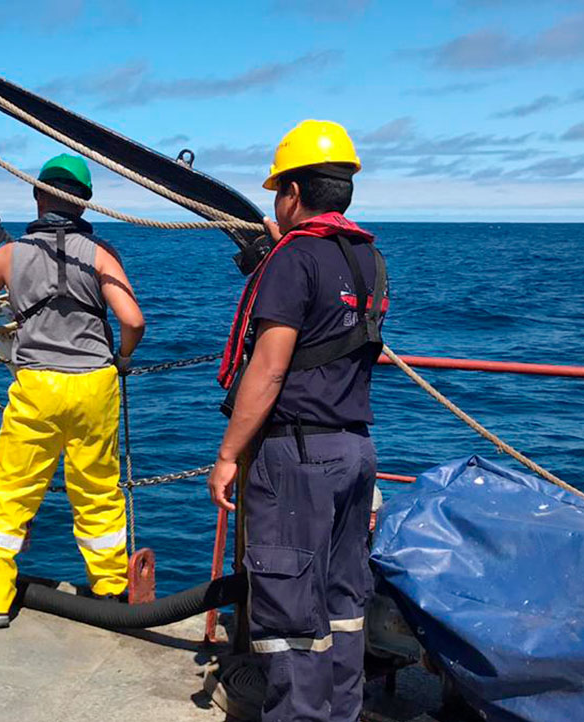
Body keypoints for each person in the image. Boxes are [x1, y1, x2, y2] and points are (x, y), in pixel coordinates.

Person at [207, 119, 388, 722]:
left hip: (298, 458)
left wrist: (230, 453)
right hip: (355, 451)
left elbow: (270, 368)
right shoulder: (368, 258)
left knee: (289, 615)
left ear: (291, 192)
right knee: (343, 603)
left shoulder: (293, 261)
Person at [0, 153, 146, 629]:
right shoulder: (102, 254)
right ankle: (108, 593)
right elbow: (133, 320)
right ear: (84, 204)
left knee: (12, 494)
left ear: (37, 194)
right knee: (99, 493)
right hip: (94, 386)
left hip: (37, 384)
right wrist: (120, 358)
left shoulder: (10, 254)